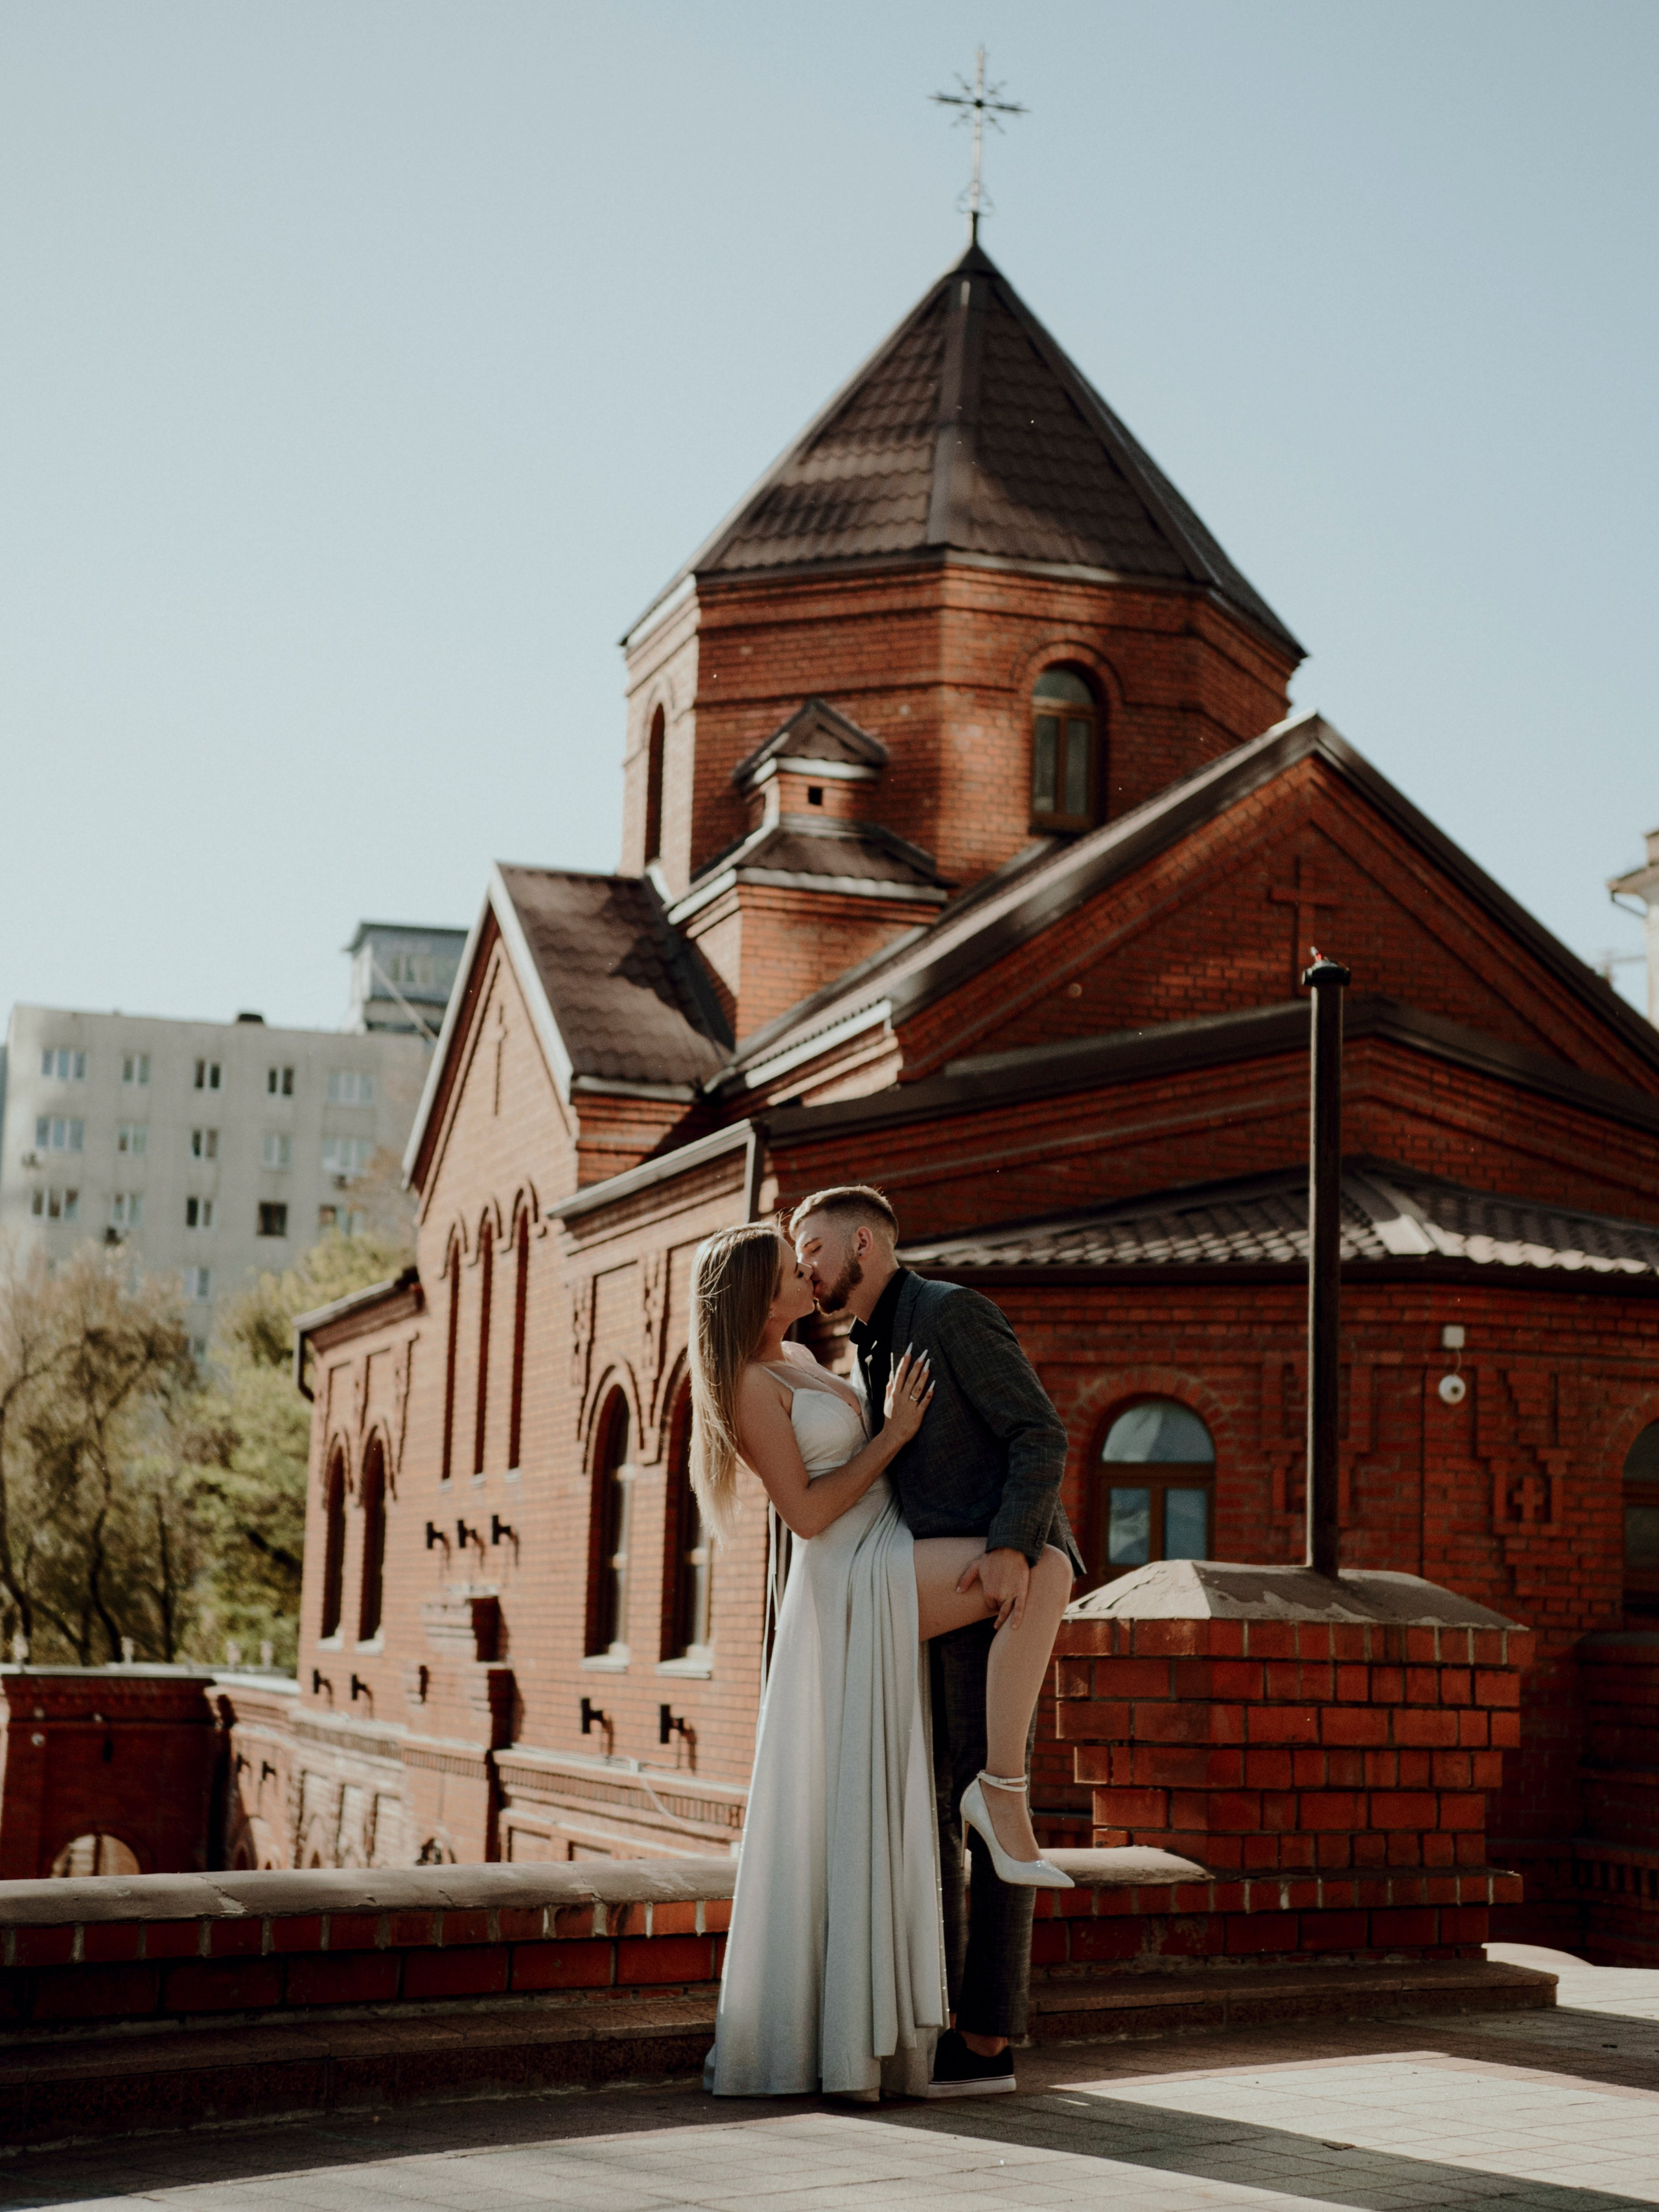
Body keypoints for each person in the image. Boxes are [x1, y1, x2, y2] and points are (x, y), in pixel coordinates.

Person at [693, 1220, 1074, 2102]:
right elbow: (809, 1514)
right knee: (1043, 1564)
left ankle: (994, 1798)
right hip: (850, 1574)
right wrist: (896, 1434)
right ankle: (1003, 1788)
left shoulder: (813, 1360)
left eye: (808, 1256)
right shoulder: (749, 1383)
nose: (806, 1271)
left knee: (1038, 1572)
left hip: (890, 1553)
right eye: (792, 1266)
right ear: (758, 1289)